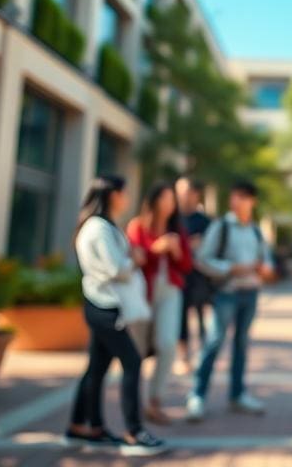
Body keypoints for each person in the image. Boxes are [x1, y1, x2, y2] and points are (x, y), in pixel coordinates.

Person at [66, 176, 167, 457]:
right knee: (132, 362)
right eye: (124, 193)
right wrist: (134, 259)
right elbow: (115, 268)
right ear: (113, 195)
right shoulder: (98, 228)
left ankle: (84, 427)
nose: (127, 198)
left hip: (104, 304)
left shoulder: (103, 226)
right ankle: (134, 431)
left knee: (96, 369)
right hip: (104, 306)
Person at [186, 179, 275, 421]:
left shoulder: (256, 230)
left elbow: (266, 260)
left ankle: (238, 395)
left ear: (252, 201)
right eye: (234, 196)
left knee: (242, 345)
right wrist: (230, 268)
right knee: (214, 343)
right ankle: (197, 396)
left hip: (251, 292)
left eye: (242, 197)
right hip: (226, 293)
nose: (236, 201)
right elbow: (203, 259)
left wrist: (264, 269)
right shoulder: (221, 226)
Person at [126, 181, 193, 425]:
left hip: (170, 292)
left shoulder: (178, 230)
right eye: (165, 197)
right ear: (153, 200)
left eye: (171, 198)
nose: (169, 203)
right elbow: (136, 257)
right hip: (143, 294)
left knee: (167, 345)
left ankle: (155, 400)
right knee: (137, 350)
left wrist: (175, 251)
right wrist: (157, 248)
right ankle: (135, 401)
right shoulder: (137, 226)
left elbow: (186, 266)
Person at [174, 177, 211, 373]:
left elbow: (210, 246)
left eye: (187, 191)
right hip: (179, 277)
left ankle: (203, 353)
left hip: (200, 276)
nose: (183, 196)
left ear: (196, 194)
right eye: (180, 191)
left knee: (201, 315)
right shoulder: (172, 218)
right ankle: (183, 356)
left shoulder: (205, 221)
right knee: (181, 317)